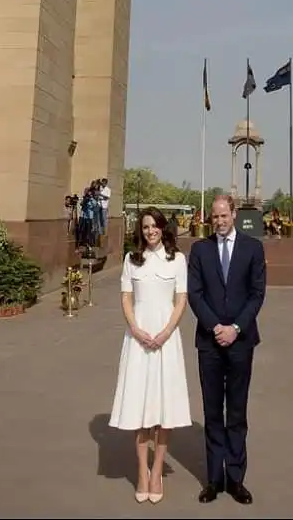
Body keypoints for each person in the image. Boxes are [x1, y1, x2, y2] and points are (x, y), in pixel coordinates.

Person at [187, 194, 267, 505]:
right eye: (214, 217)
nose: (219, 221)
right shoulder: (200, 249)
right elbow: (195, 294)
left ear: (234, 214)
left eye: (223, 216)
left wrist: (235, 328)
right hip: (208, 342)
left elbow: (257, 294)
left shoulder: (252, 248)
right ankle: (213, 480)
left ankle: (236, 478)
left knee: (236, 411)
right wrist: (214, 327)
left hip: (241, 341)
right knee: (211, 411)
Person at [110, 207, 191, 504]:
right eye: (145, 227)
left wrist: (167, 331)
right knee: (141, 405)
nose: (150, 231)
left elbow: (181, 299)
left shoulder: (177, 259)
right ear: (140, 230)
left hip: (167, 339)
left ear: (162, 228)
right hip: (138, 340)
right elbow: (126, 298)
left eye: (154, 226)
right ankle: (141, 471)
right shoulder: (132, 260)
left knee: (164, 407)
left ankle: (157, 471)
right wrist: (135, 329)